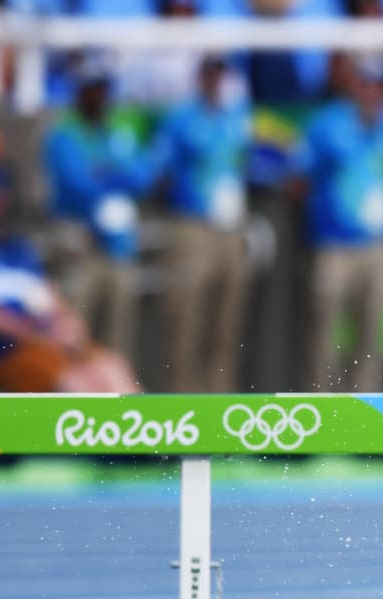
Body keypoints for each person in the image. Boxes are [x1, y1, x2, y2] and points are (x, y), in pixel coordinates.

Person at [0, 163, 138, 393]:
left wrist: (67, 322)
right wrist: (33, 332)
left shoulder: (17, 246)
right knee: (76, 384)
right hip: (1, 349)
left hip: (46, 338)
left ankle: (128, 426)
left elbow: (47, 294)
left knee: (110, 367)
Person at [298, 53, 383, 391]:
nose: (374, 92)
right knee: (324, 332)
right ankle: (320, 407)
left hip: (380, 247)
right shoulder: (326, 126)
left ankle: (367, 410)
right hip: (336, 246)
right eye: (367, 84)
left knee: (374, 332)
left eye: (380, 86)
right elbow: (300, 180)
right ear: (354, 87)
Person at [43, 54, 157, 366]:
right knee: (74, 329)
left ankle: (116, 403)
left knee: (118, 334)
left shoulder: (117, 133)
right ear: (79, 93)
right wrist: (115, 177)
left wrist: (107, 175)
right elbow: (75, 183)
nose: (98, 97)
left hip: (119, 246)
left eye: (102, 90)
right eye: (91, 90)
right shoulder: (64, 135)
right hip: (82, 245)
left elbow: (143, 175)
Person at [154, 55, 252, 392]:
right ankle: (183, 400)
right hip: (193, 227)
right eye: (209, 74)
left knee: (225, 321)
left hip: (230, 228)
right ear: (200, 78)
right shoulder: (180, 120)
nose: (215, 81)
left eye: (220, 74)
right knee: (186, 319)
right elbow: (159, 167)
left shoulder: (235, 119)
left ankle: (221, 399)